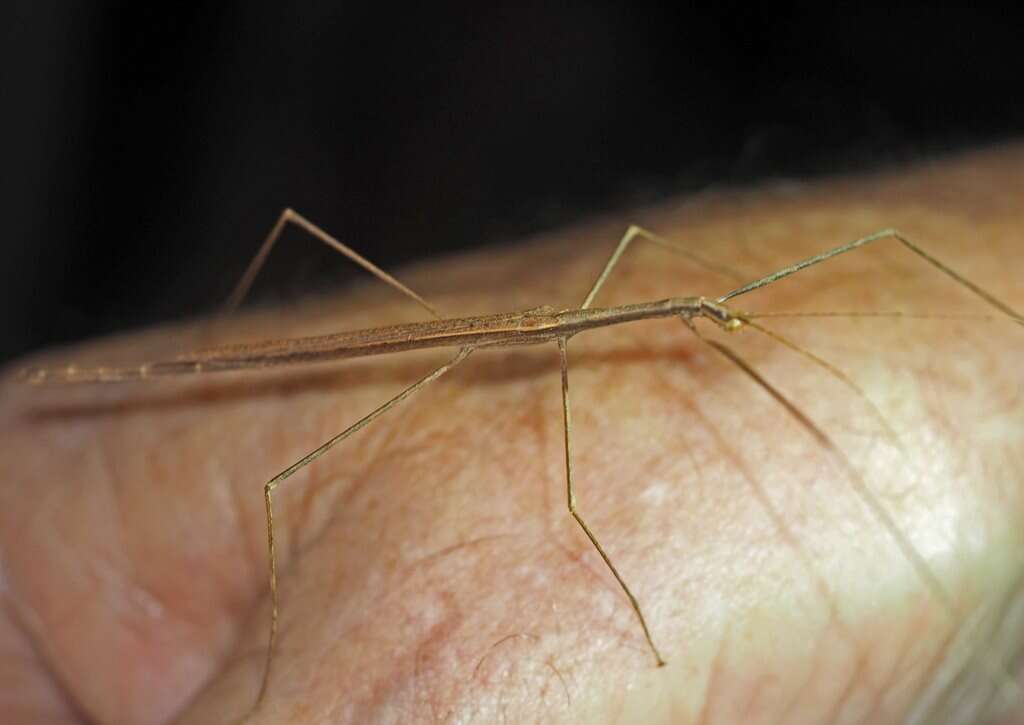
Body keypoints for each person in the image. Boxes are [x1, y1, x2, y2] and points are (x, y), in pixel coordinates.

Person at [2, 145, 1022, 724]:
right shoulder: (577, 330)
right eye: (711, 315)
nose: (717, 321)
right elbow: (575, 500)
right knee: (285, 479)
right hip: (415, 342)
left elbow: (718, 264)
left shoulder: (642, 298)